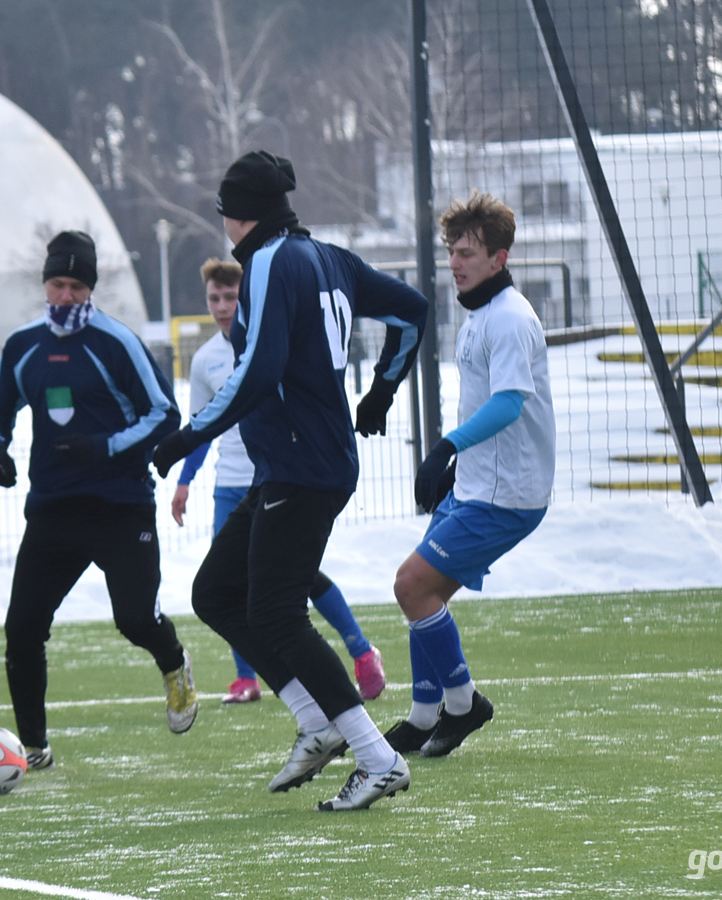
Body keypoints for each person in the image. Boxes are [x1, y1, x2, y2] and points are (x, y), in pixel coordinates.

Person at [152, 150, 427, 811]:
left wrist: (190, 435)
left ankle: (376, 756)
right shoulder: (326, 258)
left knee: (275, 612)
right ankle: (316, 722)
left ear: (234, 219)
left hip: (303, 469)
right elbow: (413, 310)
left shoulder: (272, 260)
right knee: (218, 593)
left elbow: (259, 369)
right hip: (298, 466)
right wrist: (380, 391)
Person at [0, 230, 196, 771]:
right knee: (22, 630)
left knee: (134, 620)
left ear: (91, 288)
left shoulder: (115, 342)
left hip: (121, 506)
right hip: (52, 508)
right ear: (45, 283)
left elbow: (164, 414)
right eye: (58, 283)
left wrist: (104, 447)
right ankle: (33, 747)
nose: (66, 295)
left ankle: (174, 661)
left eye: (77, 285)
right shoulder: (23, 345)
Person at [382, 192, 554, 759]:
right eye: (452, 251)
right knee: (423, 593)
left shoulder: (508, 319)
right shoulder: (481, 314)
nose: (455, 263)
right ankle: (424, 714)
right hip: (479, 484)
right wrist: (459, 464)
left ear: (498, 260)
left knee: (411, 584)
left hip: (506, 496)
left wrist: (445, 448)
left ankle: (463, 706)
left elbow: (508, 404)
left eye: (467, 253)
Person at [171, 258, 385, 705]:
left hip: (275, 480)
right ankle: (246, 677)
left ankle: (361, 652)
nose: (223, 306)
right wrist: (185, 481)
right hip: (229, 486)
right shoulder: (207, 358)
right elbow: (201, 424)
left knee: (298, 577)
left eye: (231, 296)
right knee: (224, 584)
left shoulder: (270, 341)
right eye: (215, 298)